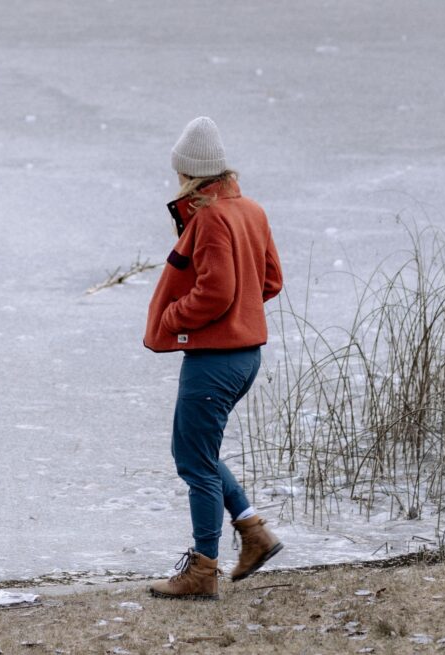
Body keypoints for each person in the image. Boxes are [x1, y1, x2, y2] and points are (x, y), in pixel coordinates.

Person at [144, 117, 284, 601]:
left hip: (215, 358)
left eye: (179, 172)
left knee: (195, 463)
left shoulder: (210, 218)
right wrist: (239, 314)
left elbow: (216, 291)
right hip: (245, 356)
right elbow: (269, 282)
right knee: (197, 453)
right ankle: (253, 532)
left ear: (190, 174)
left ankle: (202, 570)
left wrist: (173, 316)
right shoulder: (252, 211)